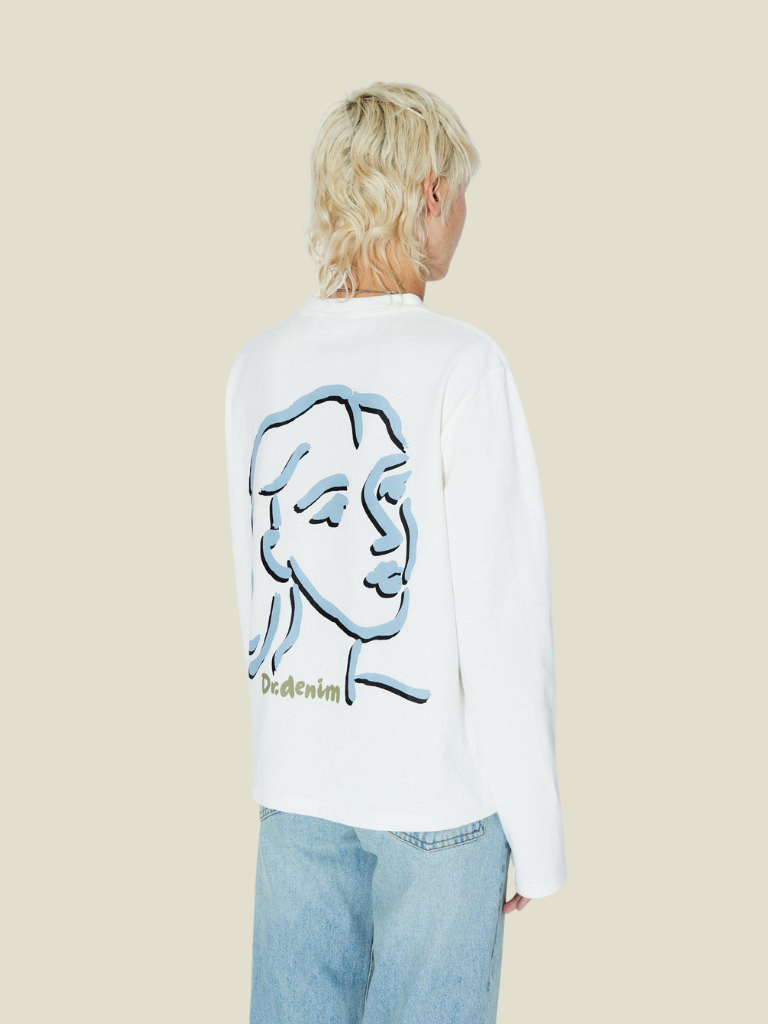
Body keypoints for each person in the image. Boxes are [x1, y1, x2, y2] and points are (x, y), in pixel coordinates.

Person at [225, 81, 567, 1024]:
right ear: (429, 194)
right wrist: (536, 838)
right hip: (436, 809)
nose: (463, 216)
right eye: (461, 192)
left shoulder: (258, 364)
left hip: (295, 793)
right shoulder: (462, 363)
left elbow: (254, 589)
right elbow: (503, 620)